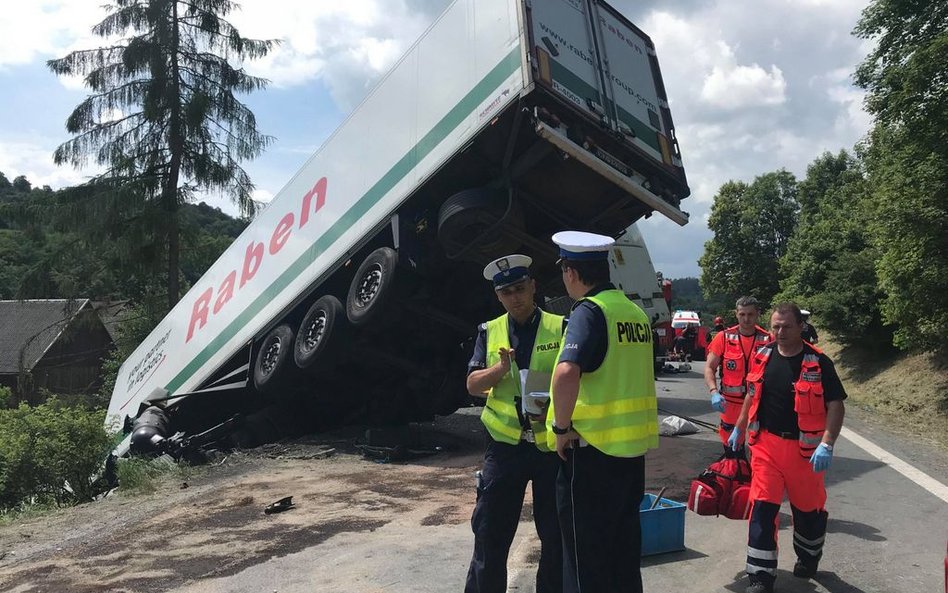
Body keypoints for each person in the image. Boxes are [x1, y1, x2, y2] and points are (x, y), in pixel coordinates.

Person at [545, 231, 658, 593]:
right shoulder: (635, 312)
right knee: (623, 554)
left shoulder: (590, 312)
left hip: (590, 454)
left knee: (584, 559)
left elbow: (566, 372)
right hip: (630, 454)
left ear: (572, 273)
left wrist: (561, 428)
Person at [729, 303, 847, 593]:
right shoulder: (763, 356)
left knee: (808, 513)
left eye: (786, 327)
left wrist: (827, 443)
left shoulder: (818, 362)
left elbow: (836, 405)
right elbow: (751, 396)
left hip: (804, 454)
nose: (779, 332)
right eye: (775, 326)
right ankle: (760, 576)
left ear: (801, 327)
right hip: (766, 448)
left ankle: (809, 556)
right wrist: (739, 428)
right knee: (762, 511)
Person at [464, 254, 564, 593]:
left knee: (556, 533)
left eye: (520, 289)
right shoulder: (488, 331)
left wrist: (551, 408)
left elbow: (576, 382)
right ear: (498, 296)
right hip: (505, 447)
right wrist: (499, 370)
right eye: (506, 293)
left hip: (550, 445)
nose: (515, 298)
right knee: (490, 531)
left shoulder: (560, 327)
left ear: (533, 286)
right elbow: (473, 385)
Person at [704, 296, 772, 448]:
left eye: (750, 314)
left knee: (758, 453)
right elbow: (709, 367)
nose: (746, 319)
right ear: (736, 314)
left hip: (758, 405)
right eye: (742, 314)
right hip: (730, 405)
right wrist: (714, 391)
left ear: (757, 314)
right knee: (732, 456)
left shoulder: (768, 340)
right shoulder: (723, 337)